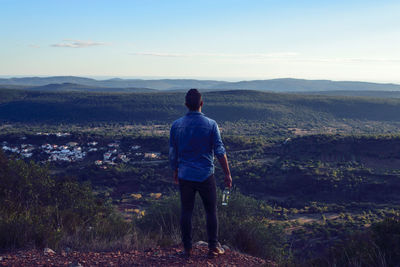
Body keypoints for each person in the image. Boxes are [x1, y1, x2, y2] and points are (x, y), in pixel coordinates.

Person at [169, 88, 232, 259]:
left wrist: (175, 170)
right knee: (211, 211)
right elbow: (219, 150)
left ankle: (187, 249)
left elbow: (173, 152)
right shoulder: (211, 124)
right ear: (201, 104)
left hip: (185, 175)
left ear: (186, 105)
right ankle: (213, 247)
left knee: (186, 212)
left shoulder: (176, 125)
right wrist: (227, 174)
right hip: (206, 175)